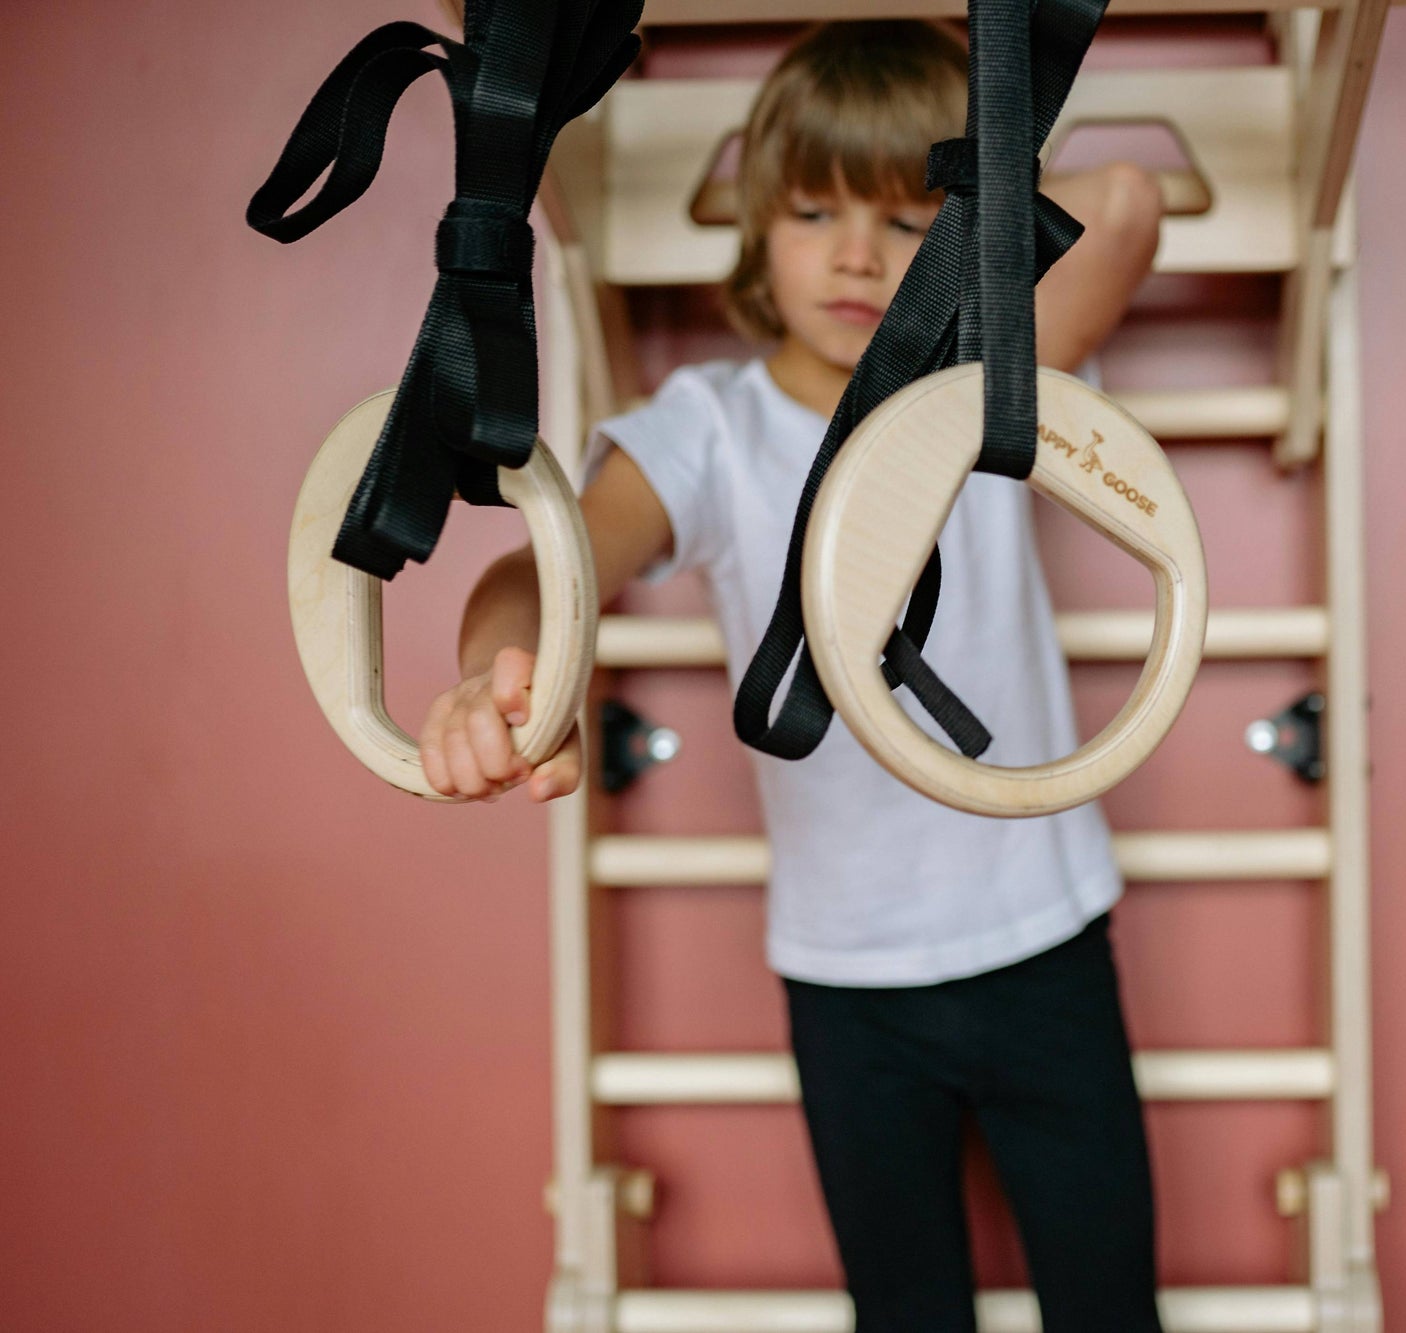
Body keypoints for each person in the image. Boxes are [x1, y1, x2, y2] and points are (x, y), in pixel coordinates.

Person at [424, 20, 1168, 1332]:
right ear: (758, 222)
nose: (855, 254)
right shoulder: (710, 429)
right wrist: (498, 668)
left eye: (903, 218)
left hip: (1045, 940)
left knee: (1109, 1311)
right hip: (847, 982)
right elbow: (546, 570)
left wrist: (980, 235)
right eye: (815, 207)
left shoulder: (987, 377)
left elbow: (1124, 205)